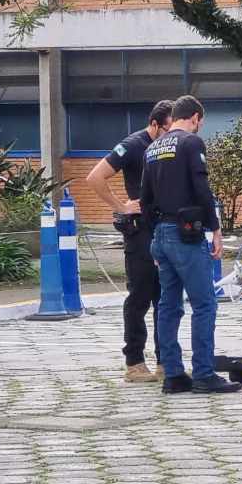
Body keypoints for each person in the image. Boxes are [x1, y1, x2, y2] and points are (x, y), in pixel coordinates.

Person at [139, 95, 240, 394]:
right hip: (186, 236)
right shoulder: (190, 143)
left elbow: (145, 199)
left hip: (161, 234)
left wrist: (154, 236)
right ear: (195, 118)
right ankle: (204, 374)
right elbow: (202, 188)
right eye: (200, 123)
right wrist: (216, 228)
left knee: (168, 305)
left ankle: (172, 374)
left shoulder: (152, 148)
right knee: (204, 303)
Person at [84, 99, 174, 384]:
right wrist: (121, 206)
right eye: (167, 129)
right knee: (140, 295)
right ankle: (134, 361)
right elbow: (95, 177)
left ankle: (165, 360)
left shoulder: (172, 145)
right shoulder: (134, 145)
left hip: (164, 228)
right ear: (154, 124)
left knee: (166, 297)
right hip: (140, 232)